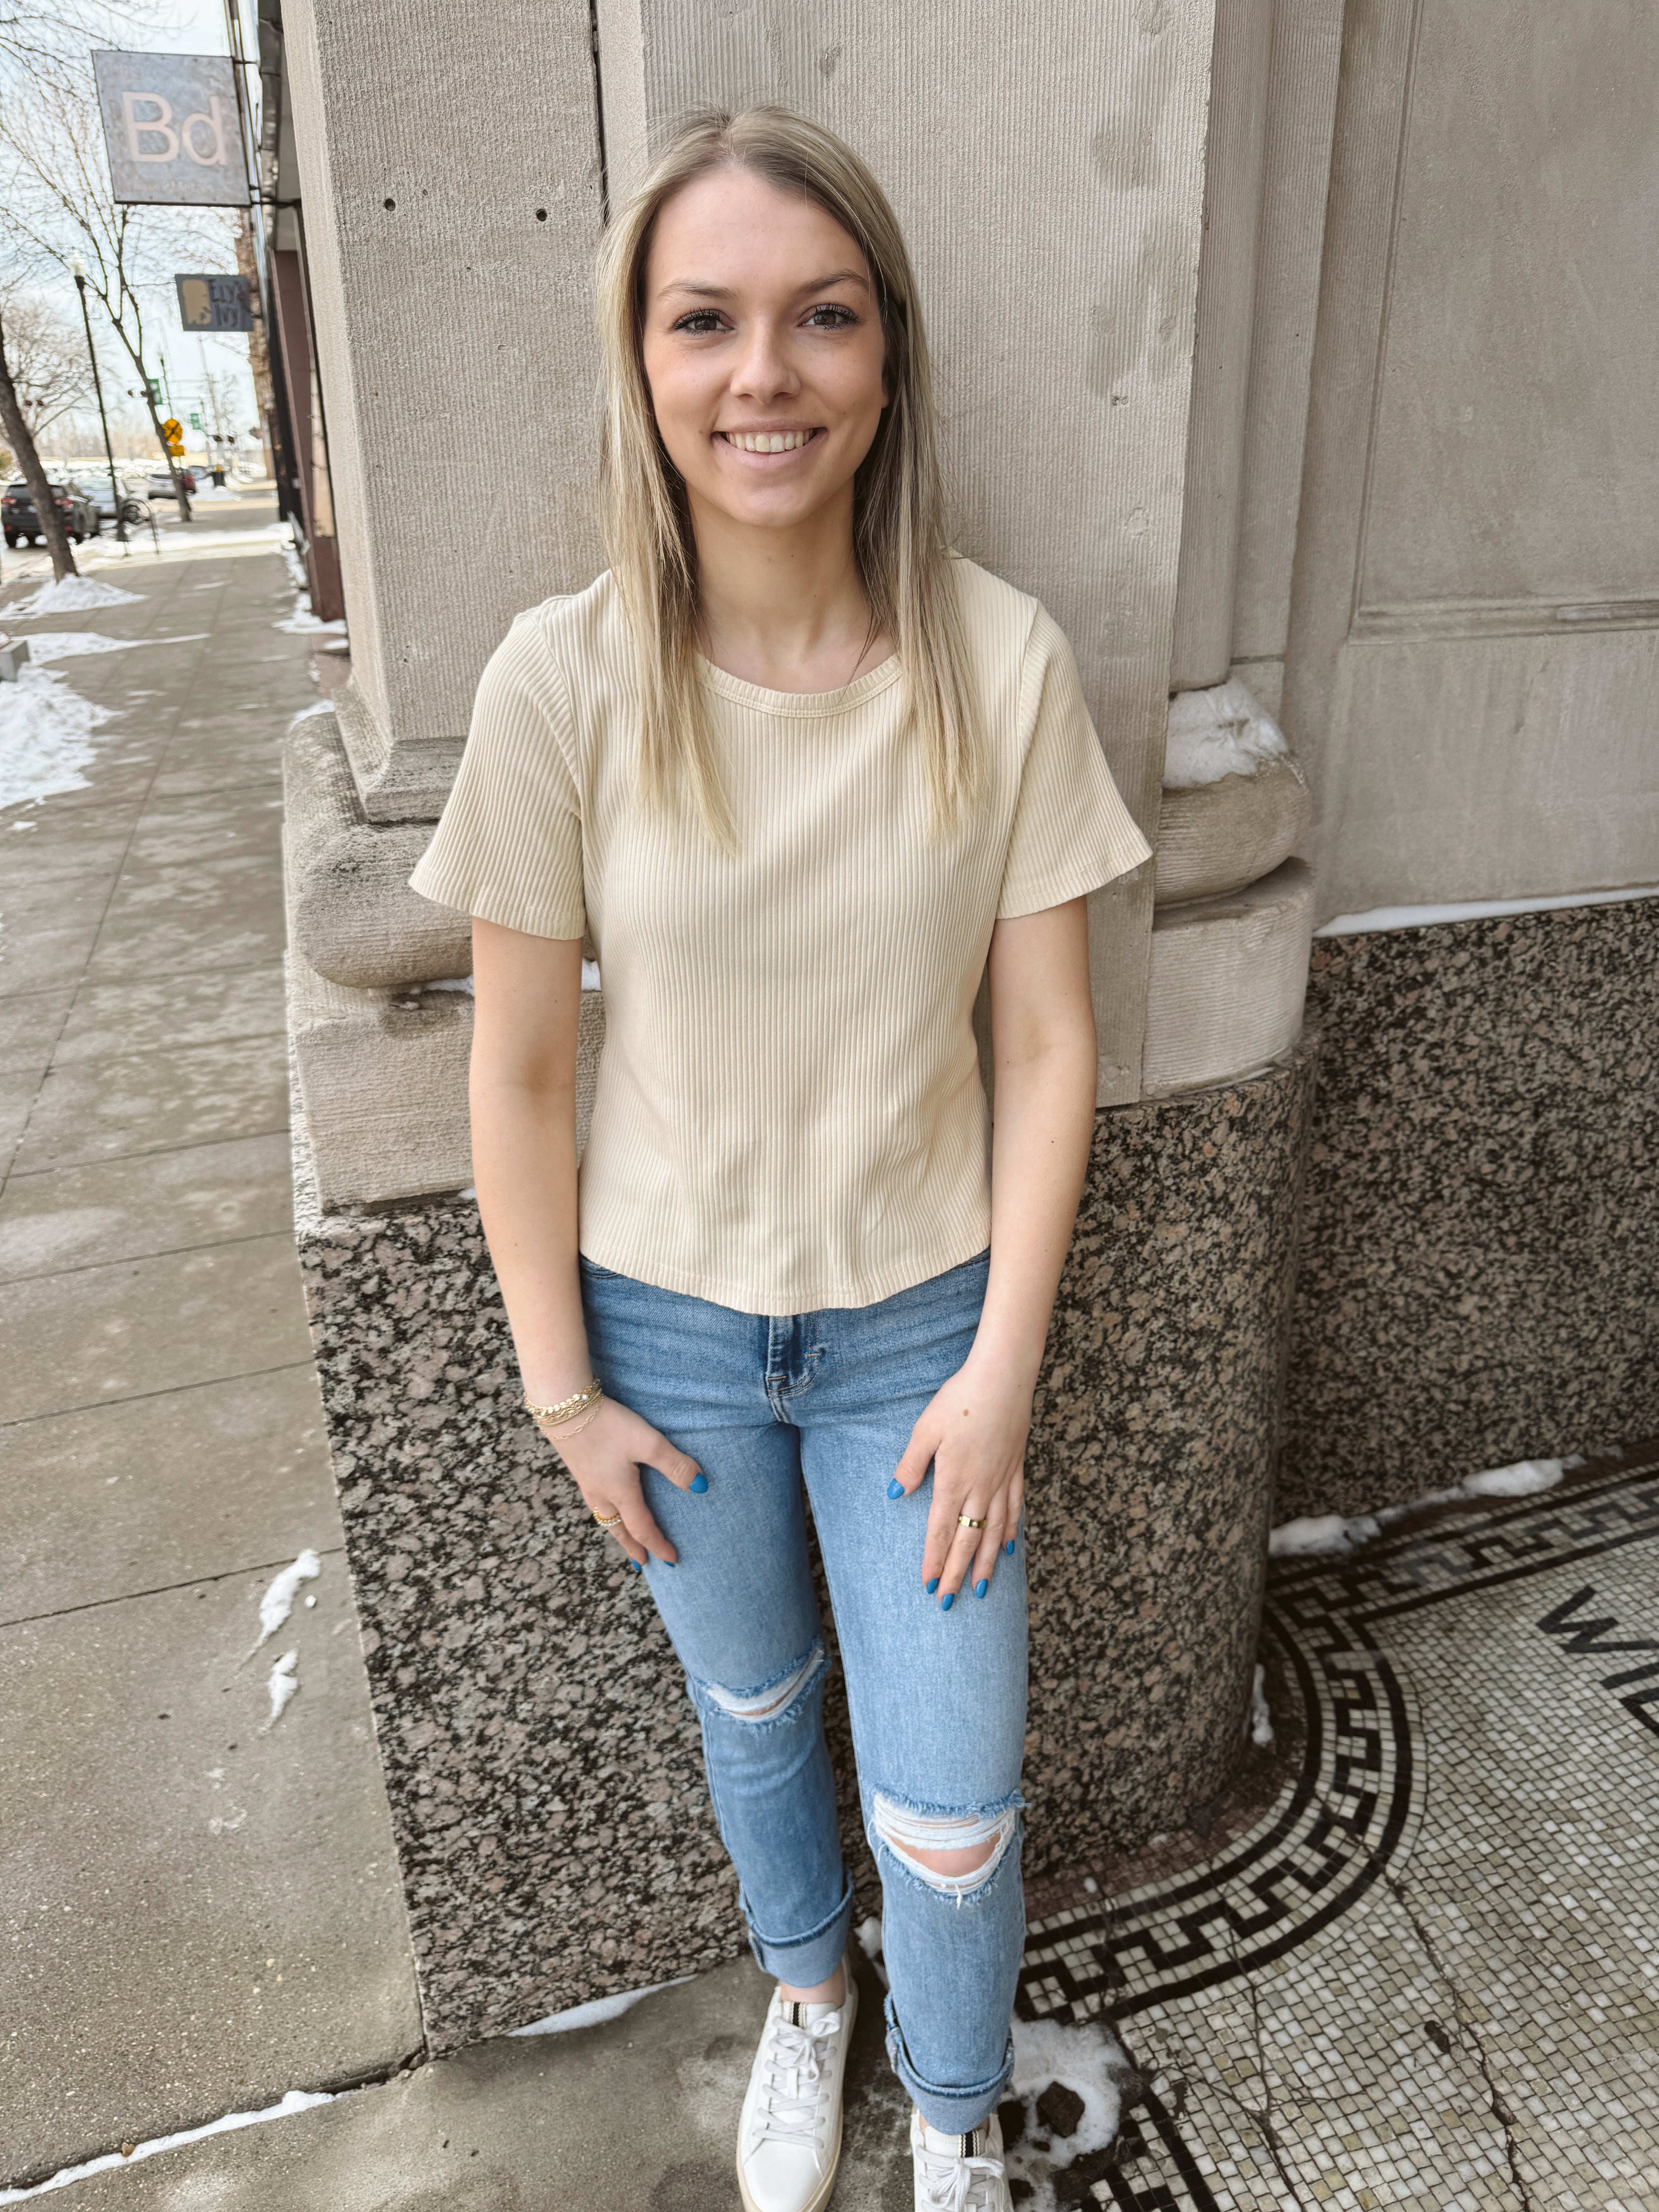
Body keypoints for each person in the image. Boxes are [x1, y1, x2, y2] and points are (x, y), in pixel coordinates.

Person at [411, 105, 1149, 2212]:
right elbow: (525, 1074)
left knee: (955, 1803)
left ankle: (946, 2109)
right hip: (667, 1328)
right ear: (642, 362)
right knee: (753, 1712)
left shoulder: (998, 664)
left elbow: (1047, 1039)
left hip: (926, 1326)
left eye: (822, 319)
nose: (766, 375)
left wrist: (1002, 1366)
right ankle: (809, 2004)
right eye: (708, 321)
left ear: (889, 355)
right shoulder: (561, 683)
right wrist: (565, 1385)